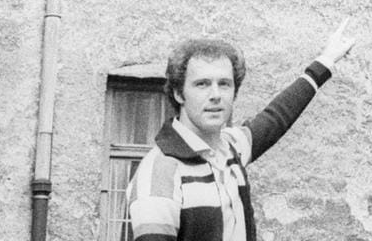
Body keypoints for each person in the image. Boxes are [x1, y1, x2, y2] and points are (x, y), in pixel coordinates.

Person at [126, 20, 356, 241]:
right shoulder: (159, 172)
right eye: (202, 84)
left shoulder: (230, 148)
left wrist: (325, 60)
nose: (215, 94)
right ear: (178, 93)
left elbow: (276, 117)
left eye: (224, 84)